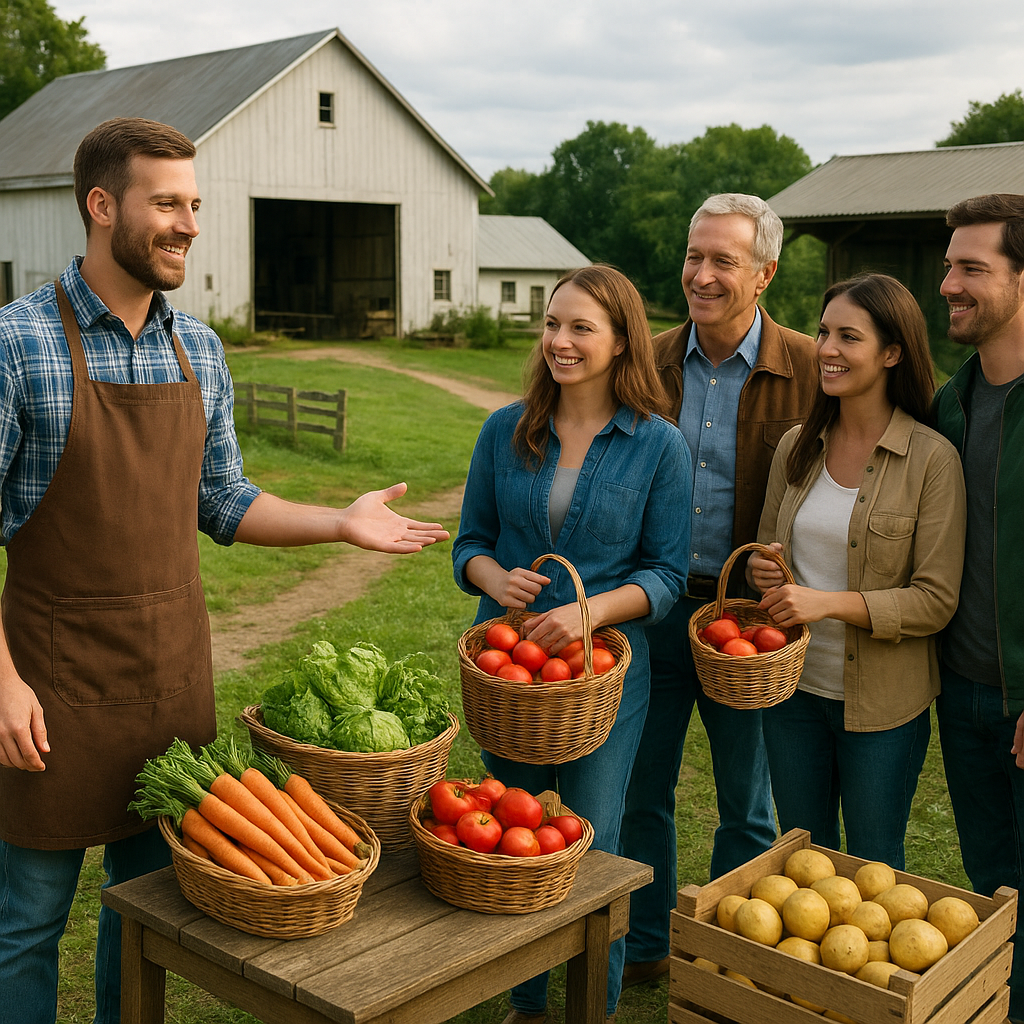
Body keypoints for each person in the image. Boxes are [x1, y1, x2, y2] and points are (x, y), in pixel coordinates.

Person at [0, 117, 449, 1024]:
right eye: (166, 202)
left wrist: (338, 522)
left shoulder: (197, 351)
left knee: (152, 911)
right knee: (27, 920)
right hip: (43, 684)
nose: (189, 223)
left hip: (168, 676)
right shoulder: (16, 345)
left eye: (195, 204)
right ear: (101, 206)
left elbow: (224, 501)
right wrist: (1, 681)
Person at [451, 263, 691, 1024]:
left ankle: (597, 1003)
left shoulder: (659, 446)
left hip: (605, 676)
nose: (560, 340)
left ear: (623, 342)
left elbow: (666, 574)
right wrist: (498, 577)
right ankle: (526, 1002)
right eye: (553, 324)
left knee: (593, 843)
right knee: (514, 833)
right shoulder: (506, 429)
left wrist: (591, 614)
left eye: (581, 327)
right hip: (509, 672)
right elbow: (469, 545)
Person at [619, 193, 818, 987]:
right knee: (643, 790)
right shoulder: (649, 359)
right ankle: (644, 948)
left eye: (723, 261)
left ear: (764, 273)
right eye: (694, 256)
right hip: (658, 606)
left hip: (749, 622)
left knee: (747, 801)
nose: (701, 274)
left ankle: (733, 956)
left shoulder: (810, 366)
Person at [747, 273, 965, 868]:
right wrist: (767, 575)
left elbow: (935, 600)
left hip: (884, 707)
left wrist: (826, 602)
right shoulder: (798, 445)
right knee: (799, 860)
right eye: (823, 333)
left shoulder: (932, 459)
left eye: (849, 336)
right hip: (792, 693)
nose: (827, 349)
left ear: (892, 353)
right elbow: (766, 552)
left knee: (872, 868)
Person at [932, 193, 1024, 1024]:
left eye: (971, 268)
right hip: (962, 697)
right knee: (993, 888)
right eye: (949, 264)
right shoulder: (951, 405)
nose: (948, 283)